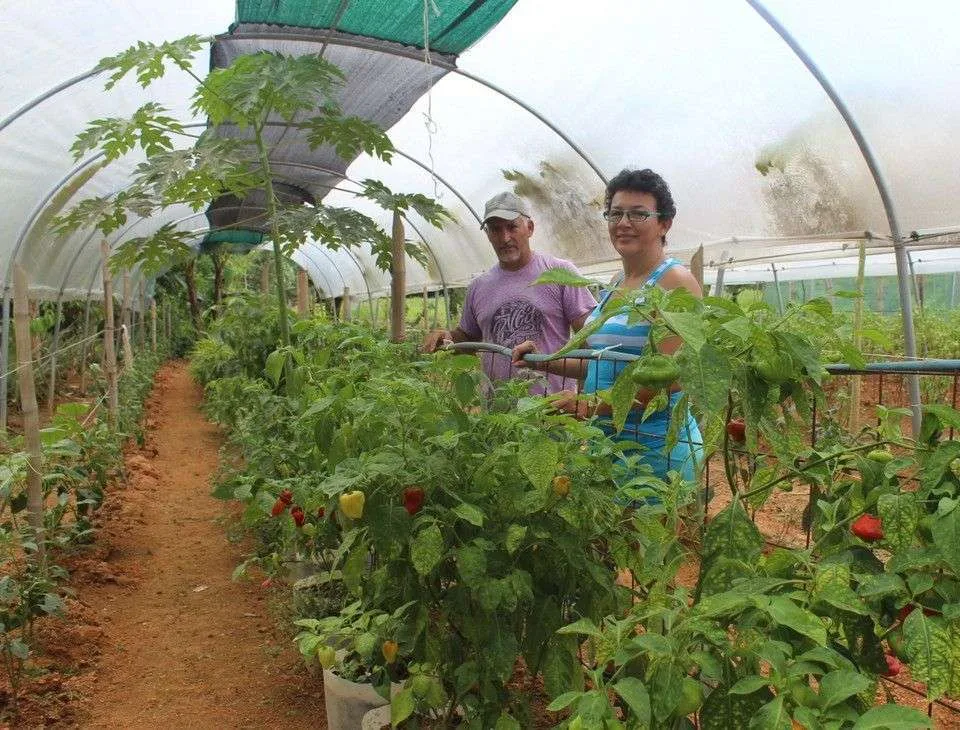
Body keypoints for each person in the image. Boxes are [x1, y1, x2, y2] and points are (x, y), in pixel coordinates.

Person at [512, 168, 703, 482]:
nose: (624, 223)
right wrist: (544, 360)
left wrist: (587, 405)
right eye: (616, 213)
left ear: (664, 223)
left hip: (656, 450)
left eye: (639, 215)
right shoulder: (618, 284)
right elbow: (600, 366)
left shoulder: (674, 281)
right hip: (609, 445)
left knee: (649, 529)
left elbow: (674, 378)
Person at [422, 191, 597, 394]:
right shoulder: (479, 286)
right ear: (487, 234)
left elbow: (589, 336)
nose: (505, 238)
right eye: (495, 230)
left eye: (512, 227)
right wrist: (447, 337)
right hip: (498, 414)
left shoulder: (560, 273)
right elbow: (469, 338)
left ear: (529, 228)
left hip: (552, 409)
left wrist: (584, 397)